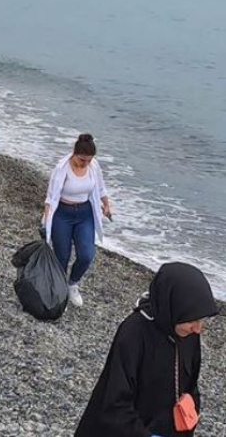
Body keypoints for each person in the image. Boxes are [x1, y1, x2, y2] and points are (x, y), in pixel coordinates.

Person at [75, 262, 218, 437]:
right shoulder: (133, 333)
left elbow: (190, 386)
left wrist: (189, 420)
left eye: (201, 320)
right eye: (192, 321)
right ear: (172, 307)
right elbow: (114, 403)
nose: (198, 328)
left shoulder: (189, 333)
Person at [42, 134, 110, 307]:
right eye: (81, 160)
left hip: (84, 213)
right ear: (74, 153)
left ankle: (72, 283)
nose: (84, 164)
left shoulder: (93, 166)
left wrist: (106, 206)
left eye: (88, 160)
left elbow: (101, 188)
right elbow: (51, 197)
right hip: (62, 214)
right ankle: (58, 291)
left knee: (86, 254)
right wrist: (45, 221)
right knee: (62, 257)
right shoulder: (61, 168)